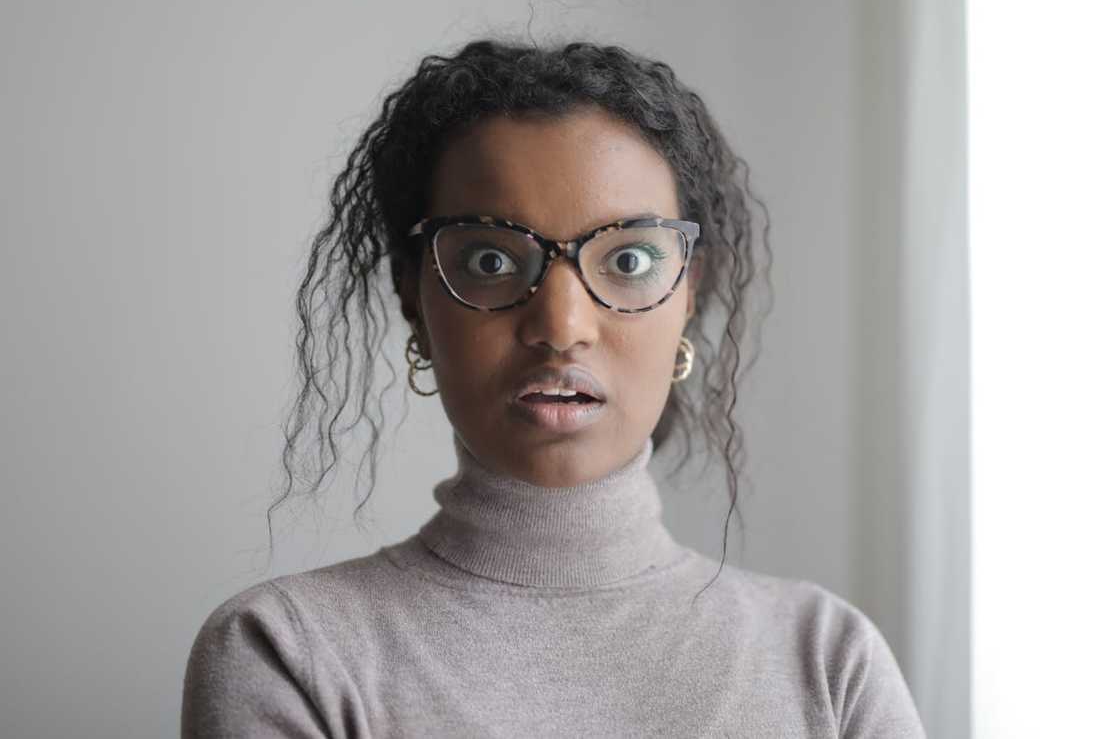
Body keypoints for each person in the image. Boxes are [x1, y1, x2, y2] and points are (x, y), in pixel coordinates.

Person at [180, 40, 926, 737]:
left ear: (688, 291)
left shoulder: (828, 660)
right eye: (492, 261)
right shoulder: (286, 652)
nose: (561, 325)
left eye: (628, 260)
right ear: (414, 293)